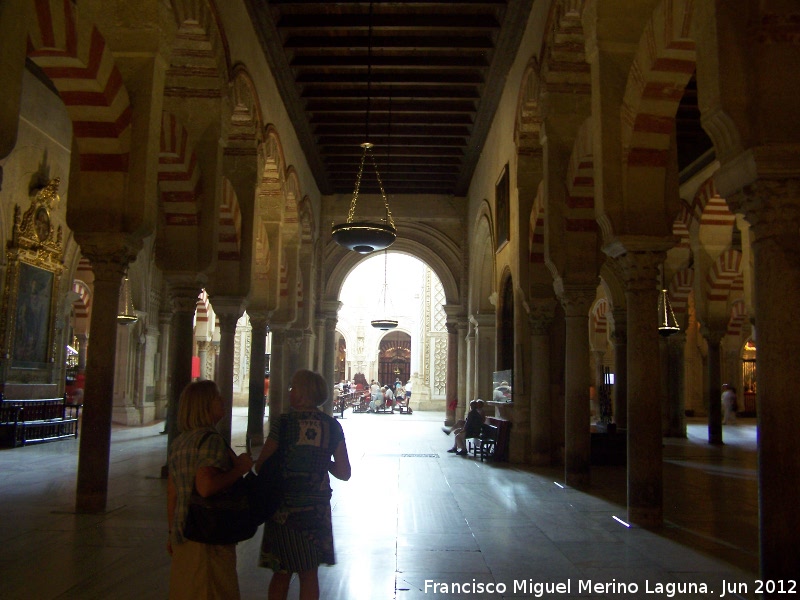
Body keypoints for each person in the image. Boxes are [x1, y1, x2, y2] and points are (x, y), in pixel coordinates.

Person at [255, 369, 351, 600]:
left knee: (281, 572)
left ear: (303, 394)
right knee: (309, 574)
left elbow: (261, 466)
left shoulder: (284, 424)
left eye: (294, 388)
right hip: (315, 511)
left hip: (284, 509)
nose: (290, 392)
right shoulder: (331, 426)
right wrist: (322, 461)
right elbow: (344, 472)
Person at [167, 380, 254, 600]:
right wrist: (240, 469)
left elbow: (173, 495)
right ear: (204, 405)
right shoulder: (211, 441)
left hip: (184, 532)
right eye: (217, 397)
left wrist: (172, 533)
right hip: (208, 537)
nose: (222, 401)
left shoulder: (180, 441)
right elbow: (205, 488)